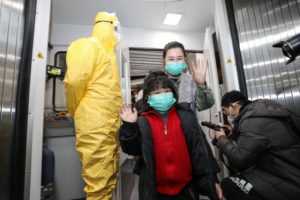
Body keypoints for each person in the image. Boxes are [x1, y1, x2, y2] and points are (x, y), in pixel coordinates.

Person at [119, 72, 220, 200]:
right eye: (156, 93)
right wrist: (129, 126)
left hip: (187, 189)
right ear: (147, 98)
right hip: (155, 191)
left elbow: (202, 151)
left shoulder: (186, 116)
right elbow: (131, 149)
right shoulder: (142, 120)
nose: (162, 96)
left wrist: (213, 180)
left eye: (166, 91)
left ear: (173, 94)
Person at [64, 12, 122, 200]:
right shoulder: (88, 45)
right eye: (116, 29)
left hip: (109, 128)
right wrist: (74, 111)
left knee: (108, 178)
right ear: (108, 26)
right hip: (95, 127)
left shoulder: (109, 56)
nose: (118, 34)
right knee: (98, 183)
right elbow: (73, 82)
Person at [214, 90, 300, 200]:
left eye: (226, 112)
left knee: (229, 185)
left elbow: (240, 159)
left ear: (233, 106)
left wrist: (221, 138)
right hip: (290, 165)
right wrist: (234, 133)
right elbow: (258, 139)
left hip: (286, 176)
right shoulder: (260, 110)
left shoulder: (252, 120)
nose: (228, 116)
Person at [162, 41, 214, 112]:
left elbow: (205, 106)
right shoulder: (156, 82)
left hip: (187, 122)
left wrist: (201, 85)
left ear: (184, 59)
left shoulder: (192, 81)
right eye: (171, 59)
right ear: (163, 60)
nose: (175, 62)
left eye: (179, 58)